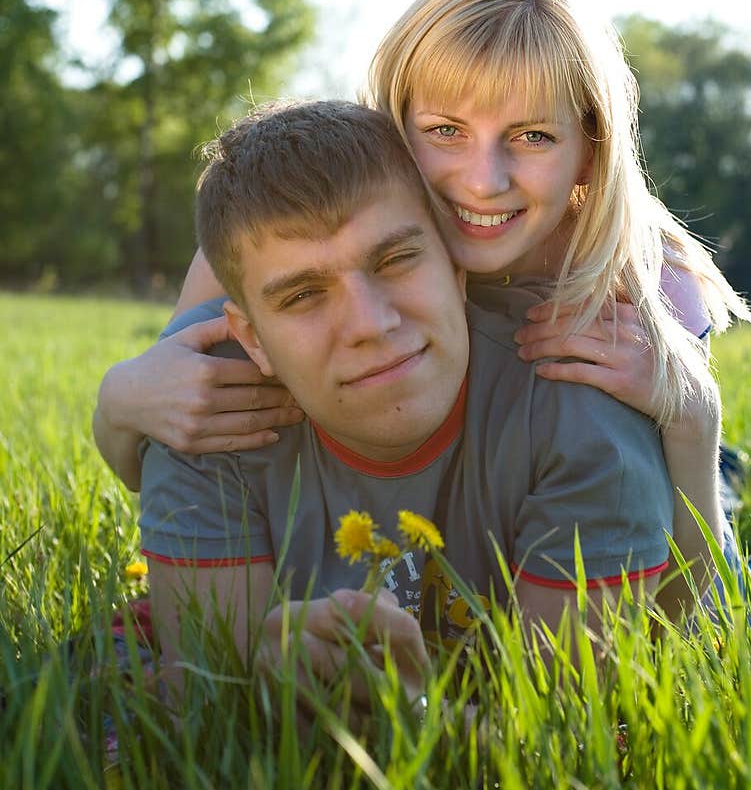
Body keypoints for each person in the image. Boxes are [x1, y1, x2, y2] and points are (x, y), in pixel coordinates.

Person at [95, 0, 751, 604]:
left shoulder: (638, 280)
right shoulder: (297, 235)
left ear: (590, 145)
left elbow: (688, 594)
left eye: (531, 135)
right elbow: (183, 441)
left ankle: (732, 467)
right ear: (394, 119)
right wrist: (120, 401)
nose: (482, 180)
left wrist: (695, 421)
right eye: (445, 131)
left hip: (615, 476)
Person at [138, 98, 691, 712]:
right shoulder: (206, 414)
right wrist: (265, 692)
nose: (370, 324)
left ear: (458, 270)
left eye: (397, 260)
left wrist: (402, 718)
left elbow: (559, 731)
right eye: (302, 296)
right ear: (251, 339)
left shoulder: (584, 415)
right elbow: (206, 710)